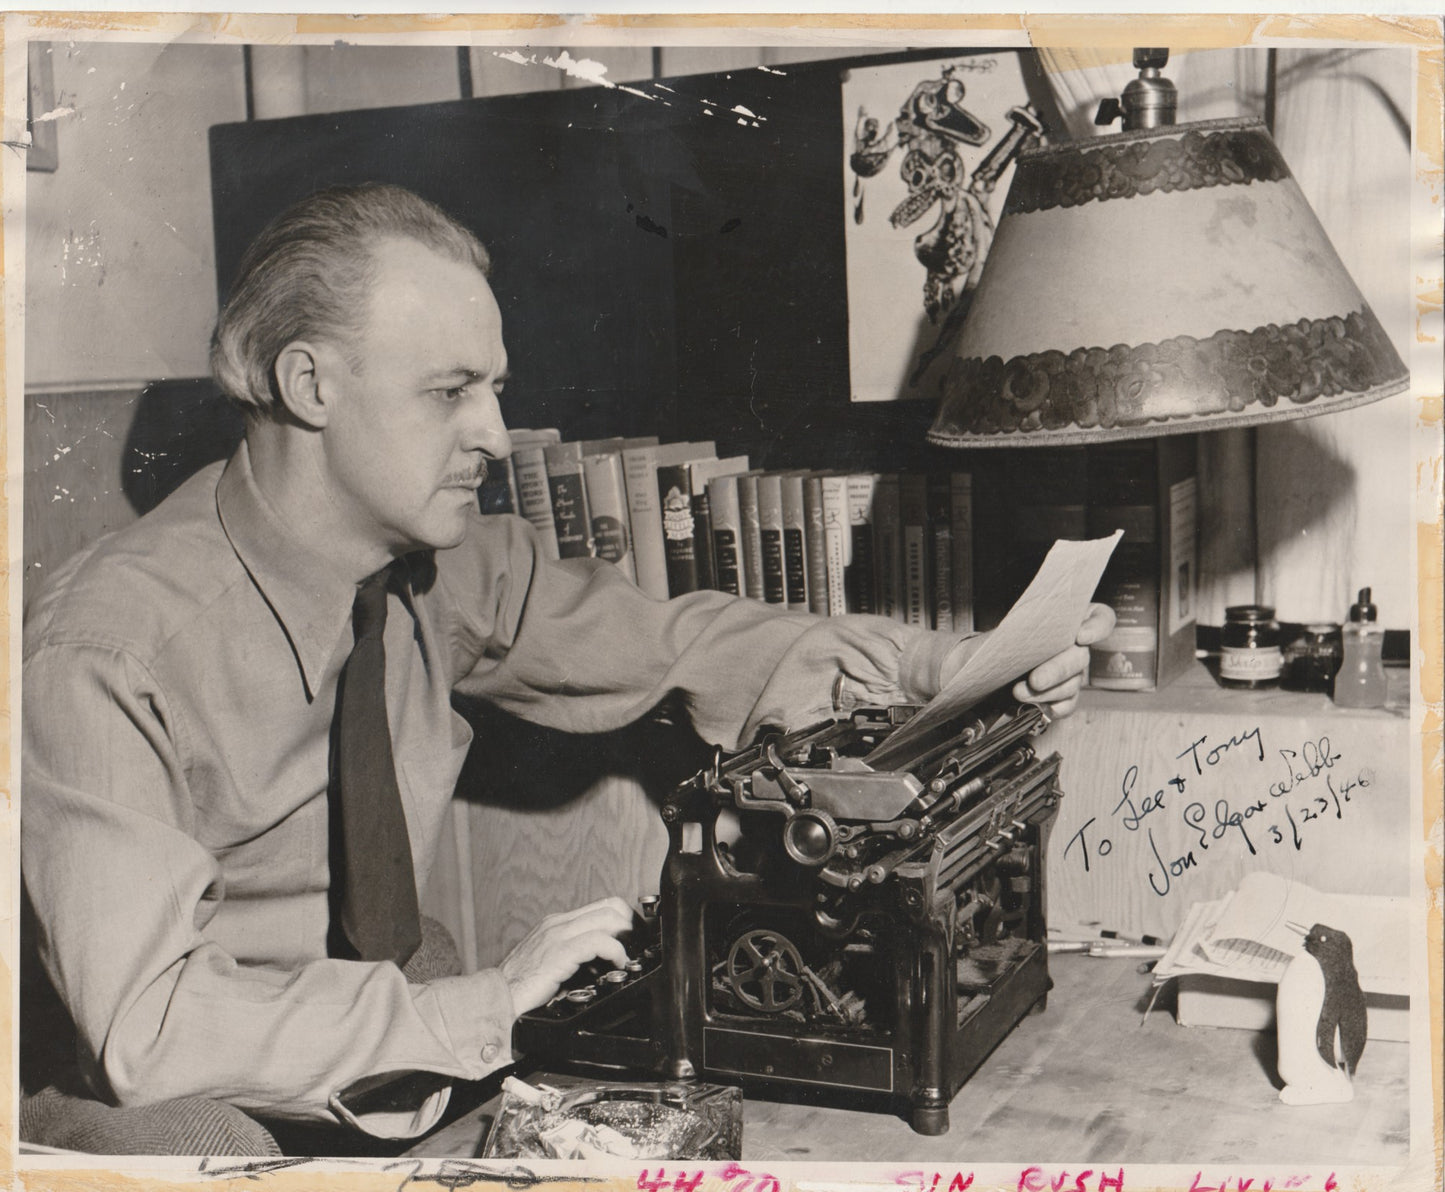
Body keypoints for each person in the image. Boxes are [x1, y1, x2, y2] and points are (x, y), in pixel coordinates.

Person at [21, 183, 1112, 1148]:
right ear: (308, 384)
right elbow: (147, 1030)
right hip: (176, 1091)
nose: (496, 433)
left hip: (383, 1006)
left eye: (493, 387)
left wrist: (940, 664)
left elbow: (676, 639)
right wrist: (484, 1002)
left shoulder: (431, 565)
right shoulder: (107, 647)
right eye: (450, 391)